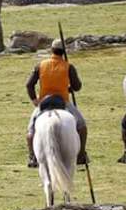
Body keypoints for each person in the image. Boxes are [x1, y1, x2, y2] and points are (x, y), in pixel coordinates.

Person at [25, 39, 88, 167]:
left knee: (31, 129)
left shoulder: (41, 65)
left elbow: (29, 85)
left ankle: (32, 156)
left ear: (51, 50)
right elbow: (77, 87)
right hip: (62, 101)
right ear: (64, 51)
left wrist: (35, 101)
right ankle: (81, 155)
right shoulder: (68, 66)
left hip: (44, 101)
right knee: (82, 126)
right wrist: (67, 87)